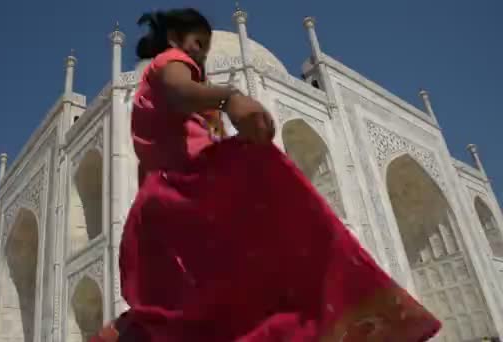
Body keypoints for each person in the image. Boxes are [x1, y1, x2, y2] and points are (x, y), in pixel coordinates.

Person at [92, 8, 441, 342]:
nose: (200, 54)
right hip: (187, 195)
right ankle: (357, 315)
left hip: (166, 209)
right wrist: (232, 98)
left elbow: (159, 160)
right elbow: (180, 90)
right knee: (290, 228)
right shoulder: (170, 65)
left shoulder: (154, 107)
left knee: (196, 308)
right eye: (197, 44)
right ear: (173, 39)